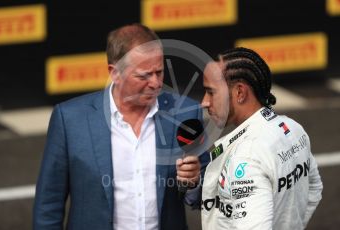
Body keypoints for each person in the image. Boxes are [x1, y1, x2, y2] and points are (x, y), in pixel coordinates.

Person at [33, 23, 209, 230]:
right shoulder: (70, 119)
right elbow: (48, 204)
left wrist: (194, 182)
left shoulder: (186, 114)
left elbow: (206, 193)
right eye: (143, 75)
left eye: (159, 72)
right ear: (114, 73)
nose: (155, 83)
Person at [200, 47, 323, 229]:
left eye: (211, 92)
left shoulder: (246, 157)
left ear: (240, 93)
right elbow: (315, 189)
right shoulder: (293, 128)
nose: (204, 101)